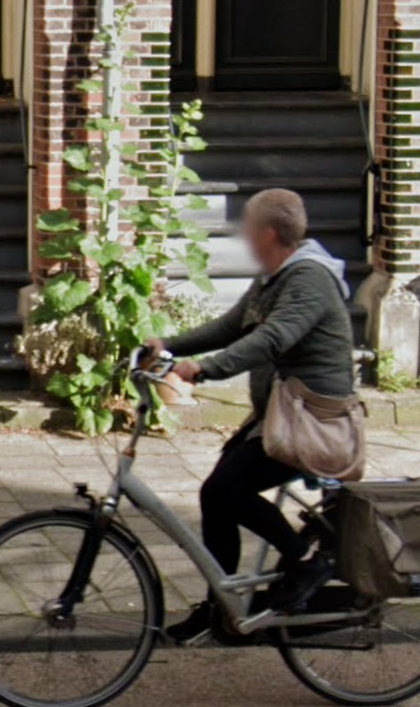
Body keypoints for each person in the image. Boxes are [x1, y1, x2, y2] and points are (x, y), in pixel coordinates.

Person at [147, 188, 358, 644]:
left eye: (246, 227)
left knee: (227, 489)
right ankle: (222, 607)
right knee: (215, 496)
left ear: (266, 233)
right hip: (281, 417)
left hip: (314, 424)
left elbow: (272, 338)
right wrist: (169, 346)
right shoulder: (273, 278)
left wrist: (205, 369)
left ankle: (306, 561)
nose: (241, 236)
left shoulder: (308, 280)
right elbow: (232, 325)